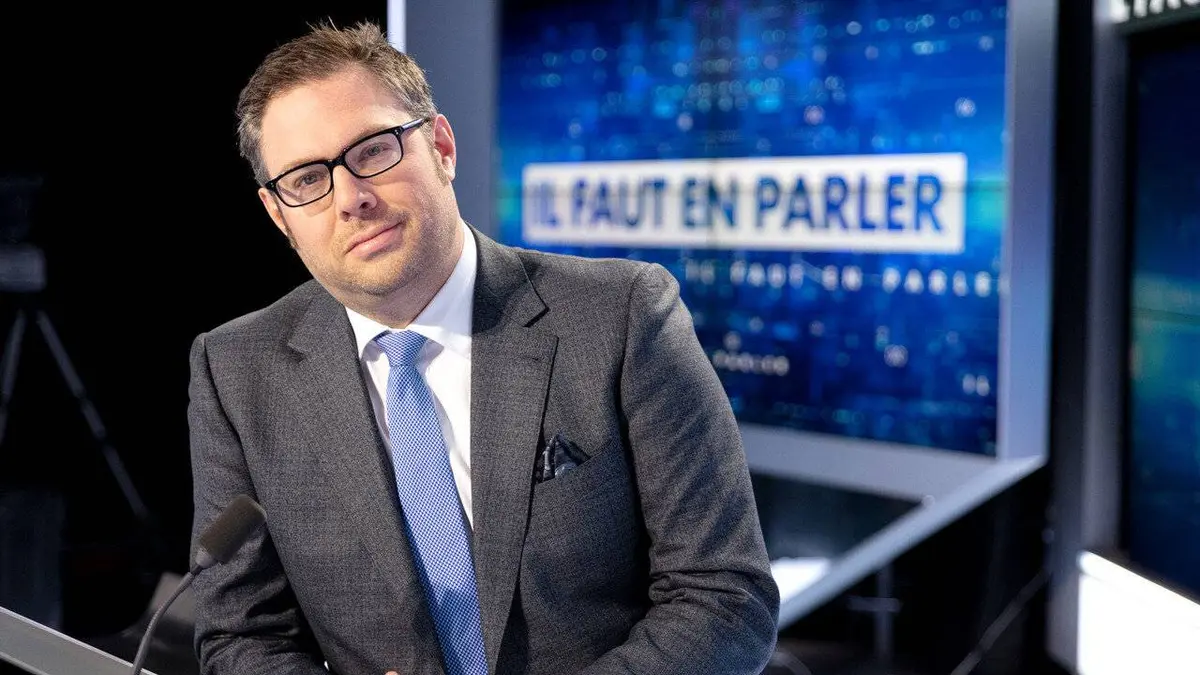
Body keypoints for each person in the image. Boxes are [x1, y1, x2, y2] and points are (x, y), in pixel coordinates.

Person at [187, 19, 779, 675]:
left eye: (374, 151)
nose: (351, 198)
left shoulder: (623, 314)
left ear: (441, 147)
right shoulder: (235, 371)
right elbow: (239, 637)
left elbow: (724, 598)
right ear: (279, 214)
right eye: (306, 180)